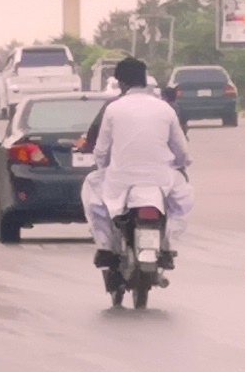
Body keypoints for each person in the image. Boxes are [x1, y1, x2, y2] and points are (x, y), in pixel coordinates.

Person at [79, 57, 190, 279]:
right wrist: (179, 165)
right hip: (161, 180)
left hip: (121, 180)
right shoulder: (165, 109)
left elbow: (101, 151)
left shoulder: (113, 109)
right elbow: (182, 151)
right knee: (183, 203)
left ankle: (104, 247)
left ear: (121, 84)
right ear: (144, 80)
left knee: (93, 194)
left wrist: (102, 168)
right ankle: (167, 246)